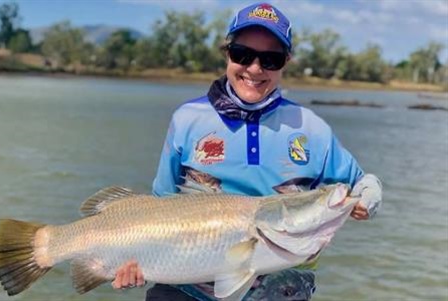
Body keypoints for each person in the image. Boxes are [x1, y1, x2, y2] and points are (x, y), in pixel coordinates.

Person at [112, 2, 382, 300]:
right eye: (243, 54)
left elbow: (360, 183)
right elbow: (161, 206)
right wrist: (140, 260)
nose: (254, 69)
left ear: (286, 62)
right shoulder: (187, 118)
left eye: (271, 59)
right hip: (185, 291)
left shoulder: (311, 128)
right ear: (227, 53)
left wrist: (369, 197)